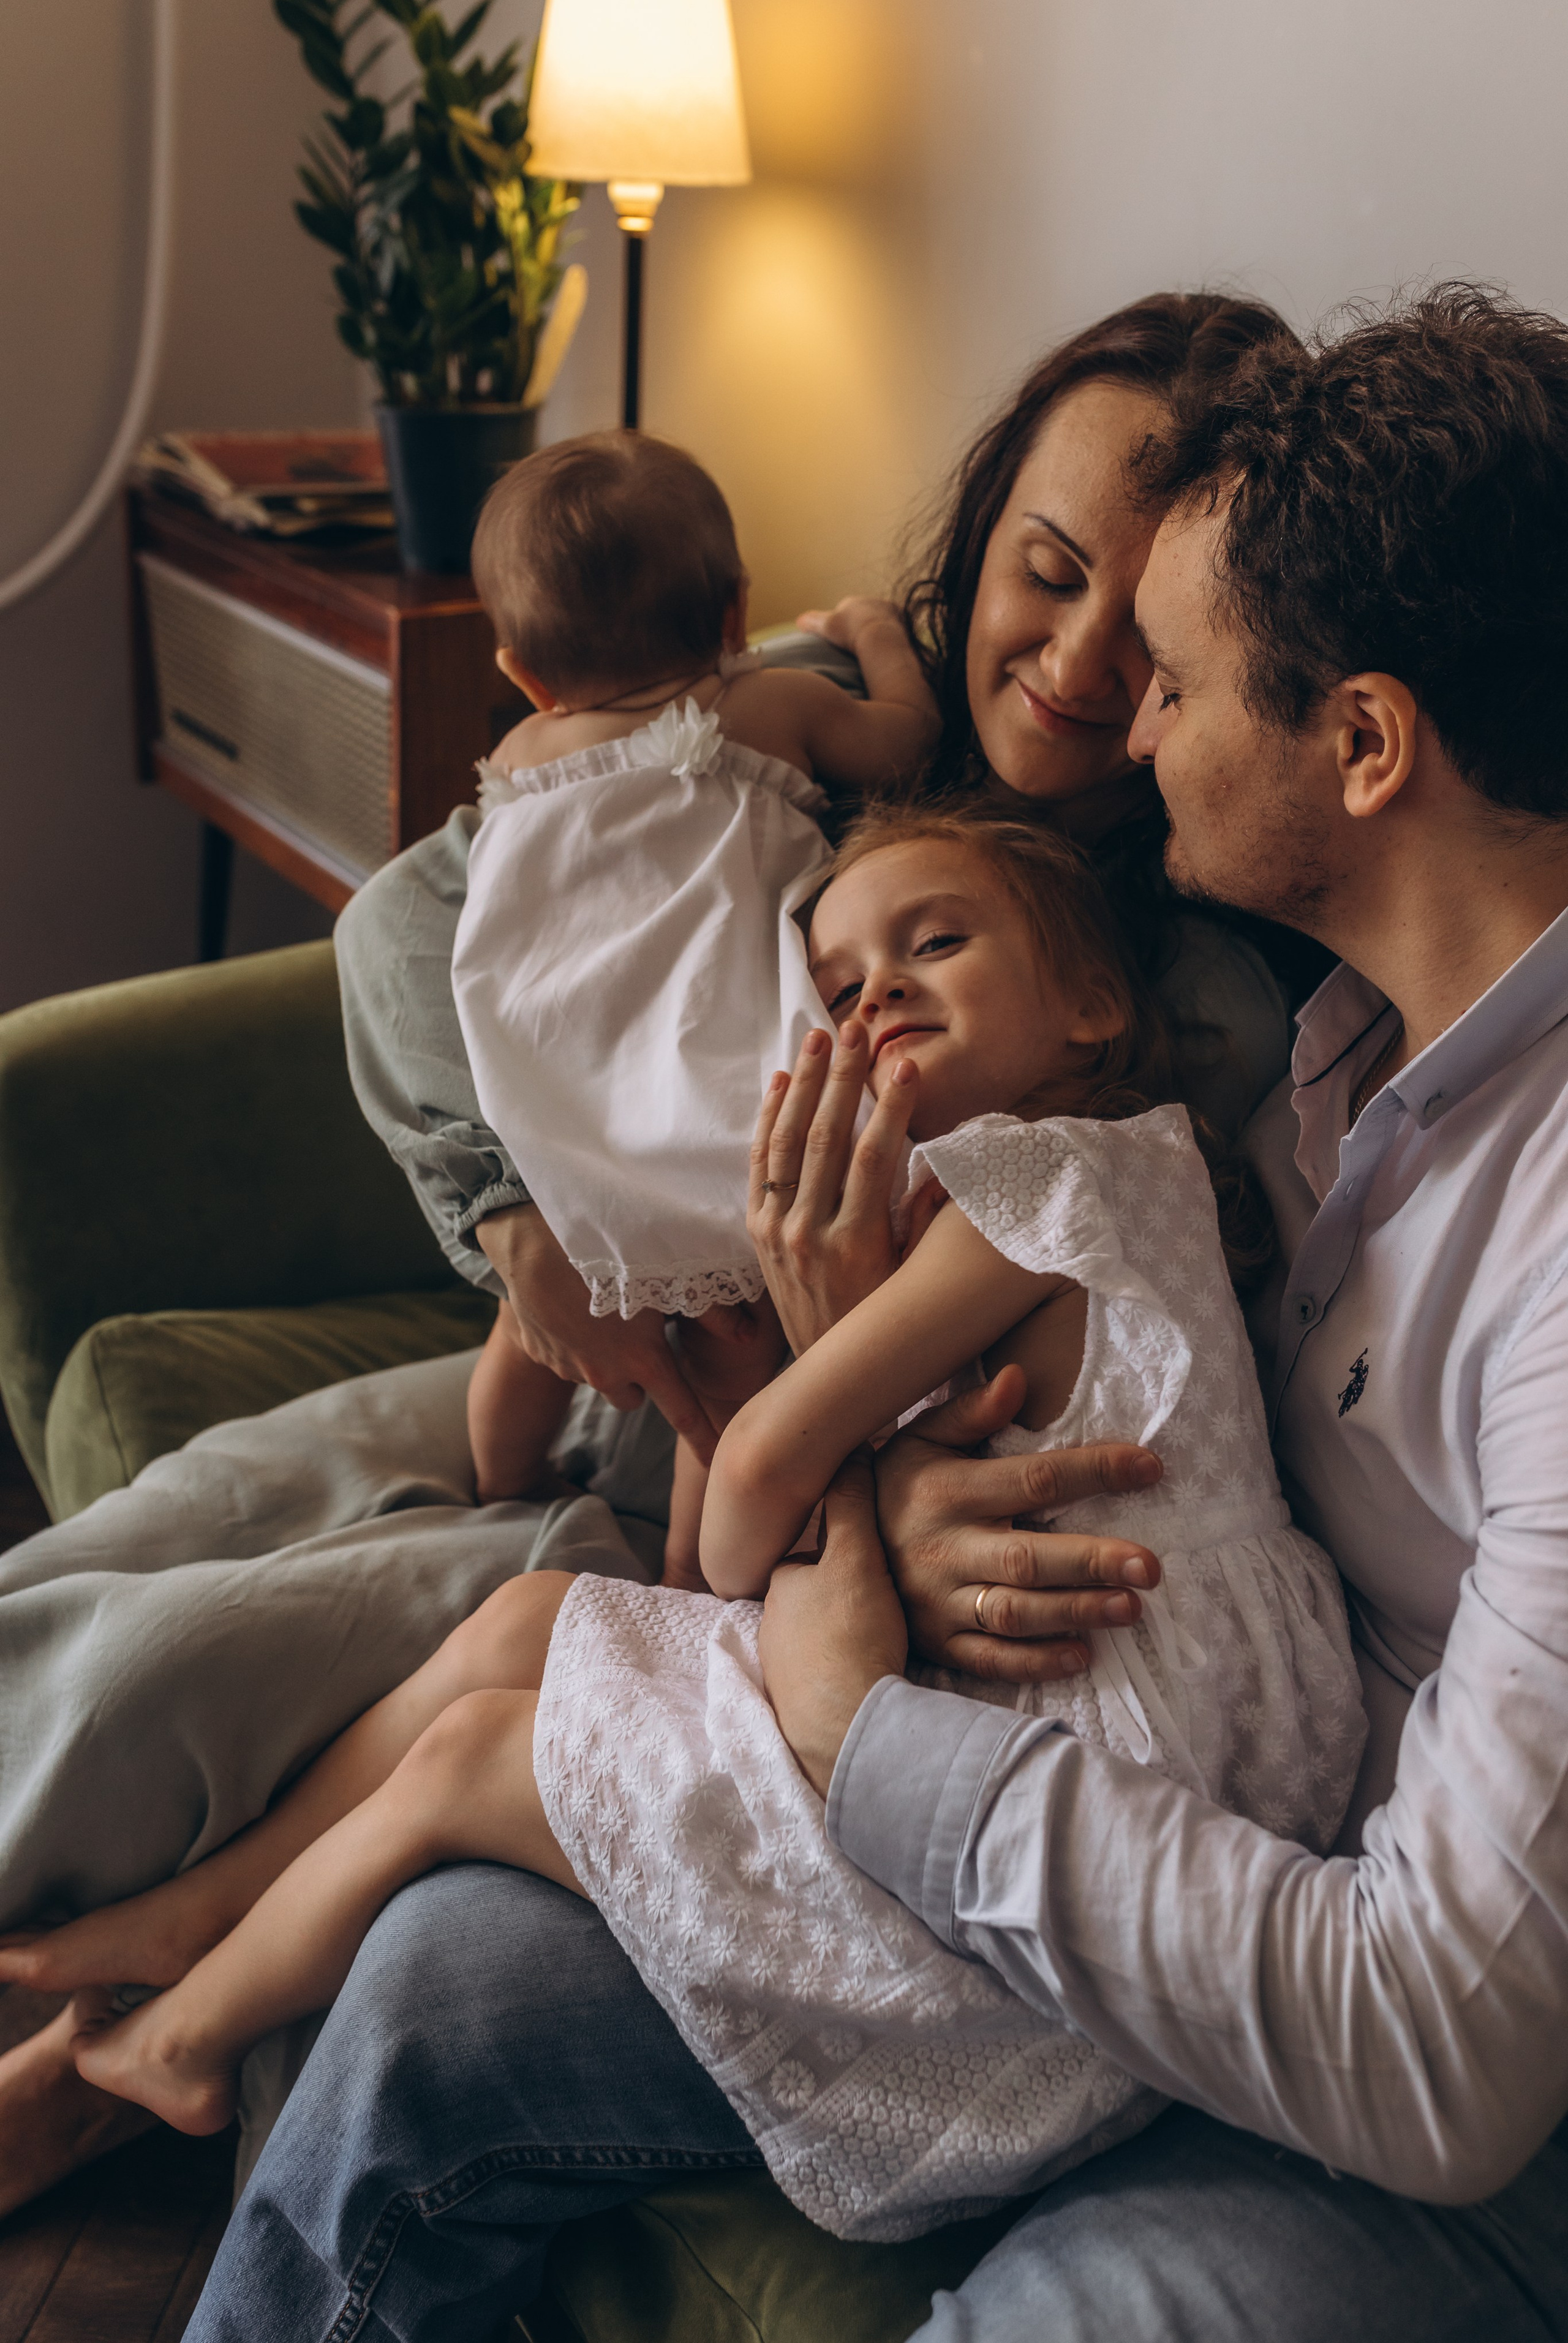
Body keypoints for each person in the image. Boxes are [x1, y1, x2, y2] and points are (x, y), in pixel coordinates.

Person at [174, 284, 1568, 2341]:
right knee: (433, 1992)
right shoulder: (1312, 1048)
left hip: (1417, 2058)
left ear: (1365, 743)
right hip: (1149, 1794)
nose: (1129, 717)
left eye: (1177, 681)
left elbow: (1442, 2050)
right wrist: (882, 1480)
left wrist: (860, 1735)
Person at [0, 292, 1301, 2216]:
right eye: (1045, 571)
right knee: (145, 1542)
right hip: (605, 1370)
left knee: (172, 1669)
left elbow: (1176, 1385)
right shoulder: (810, 710)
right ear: (980, 530)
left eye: (1156, 621)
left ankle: (95, 2065)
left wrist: (884, 1489)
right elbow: (408, 926)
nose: (1088, 660)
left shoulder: (1187, 967)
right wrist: (514, 1225)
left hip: (743, 1514)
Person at [64, 807, 1361, 2248]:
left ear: (1090, 1007)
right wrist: (775, 1322)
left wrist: (802, 1343)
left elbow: (748, 1527)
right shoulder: (941, 1218)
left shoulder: (1061, 1175)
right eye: (835, 981)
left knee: (469, 1756)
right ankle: (202, 1920)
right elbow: (703, 1580)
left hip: (1092, 1816)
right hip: (1026, 1711)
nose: (873, 995)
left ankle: (189, 2039)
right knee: (521, 1624)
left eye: (933, 942)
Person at [451, 429, 939, 1576]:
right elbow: (906, 742)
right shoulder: (764, 712)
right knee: (729, 1355)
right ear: (736, 613)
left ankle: (501, 1486)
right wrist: (873, 633)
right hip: (716, 1109)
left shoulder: (522, 753)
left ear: (523, 671)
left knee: (527, 1330)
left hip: (565, 1110)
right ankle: (686, 1573)